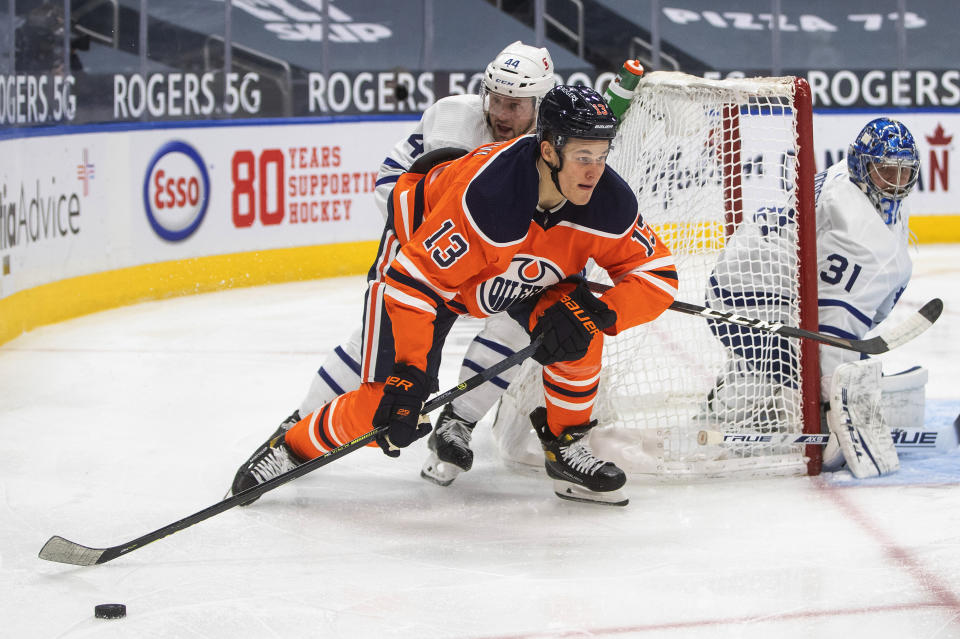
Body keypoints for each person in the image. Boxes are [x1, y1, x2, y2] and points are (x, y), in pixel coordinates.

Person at [229, 85, 679, 506]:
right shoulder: (487, 197)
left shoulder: (608, 200)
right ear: (548, 150)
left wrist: (602, 312)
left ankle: (564, 447)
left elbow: (657, 275)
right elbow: (413, 286)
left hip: (512, 268)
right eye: (583, 156)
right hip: (421, 264)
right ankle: (289, 448)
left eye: (602, 156)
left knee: (578, 327)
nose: (595, 171)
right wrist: (409, 373)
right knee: (383, 404)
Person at [252, 41, 556, 490]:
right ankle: (294, 428)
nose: (502, 114)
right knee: (379, 349)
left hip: (489, 257)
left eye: (515, 105)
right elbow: (425, 204)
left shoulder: (551, 141)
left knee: (518, 325)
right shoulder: (456, 120)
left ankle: (459, 419)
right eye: (496, 100)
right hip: (423, 245)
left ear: (540, 104)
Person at [702, 117, 921, 478]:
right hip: (747, 297)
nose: (896, 184)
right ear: (861, 166)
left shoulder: (846, 178)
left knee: (789, 361)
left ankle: (736, 395)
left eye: (904, 173)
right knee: (799, 373)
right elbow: (831, 334)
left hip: (745, 275)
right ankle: (726, 416)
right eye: (885, 172)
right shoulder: (859, 236)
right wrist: (837, 405)